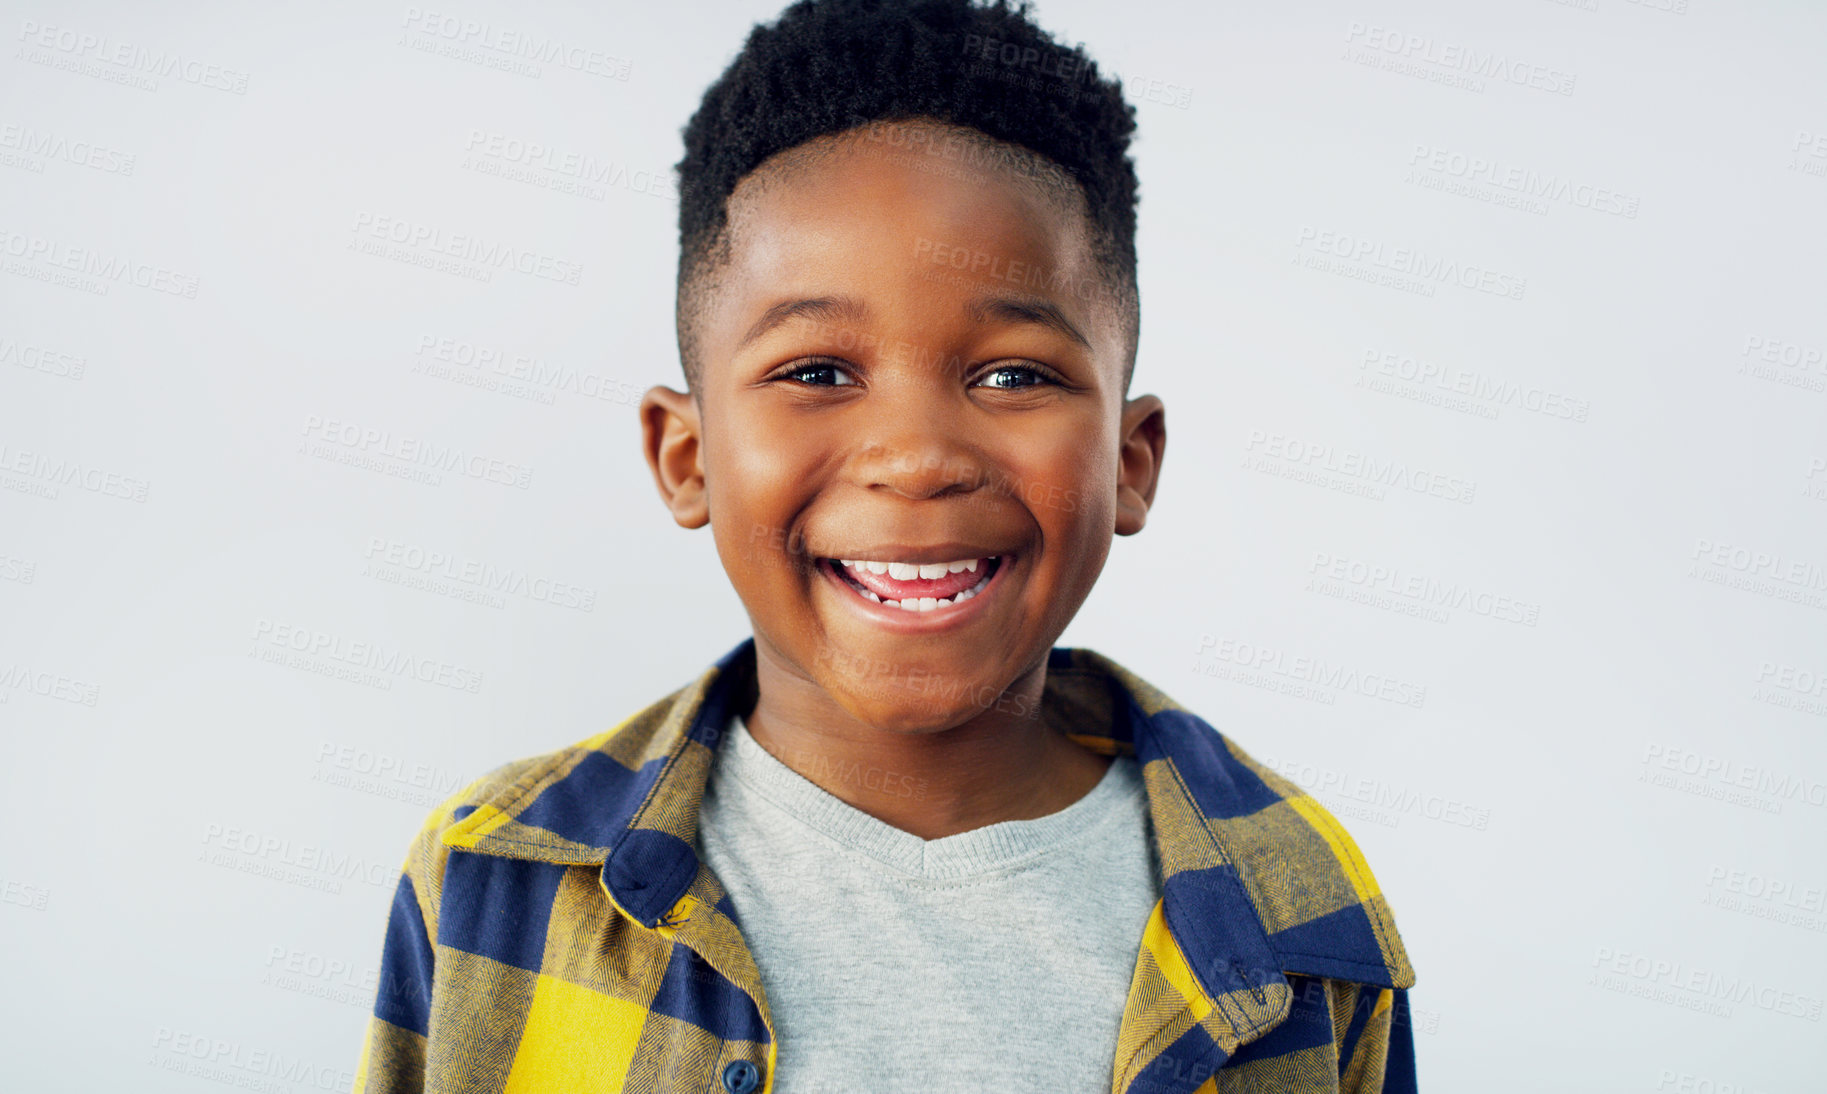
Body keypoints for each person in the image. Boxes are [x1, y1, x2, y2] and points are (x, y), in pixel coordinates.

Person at [353, 1, 1417, 1091]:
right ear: (688, 457)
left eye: (1013, 374)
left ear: (1130, 460)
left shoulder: (1302, 905)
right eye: (818, 371)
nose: (915, 458)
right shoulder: (493, 876)